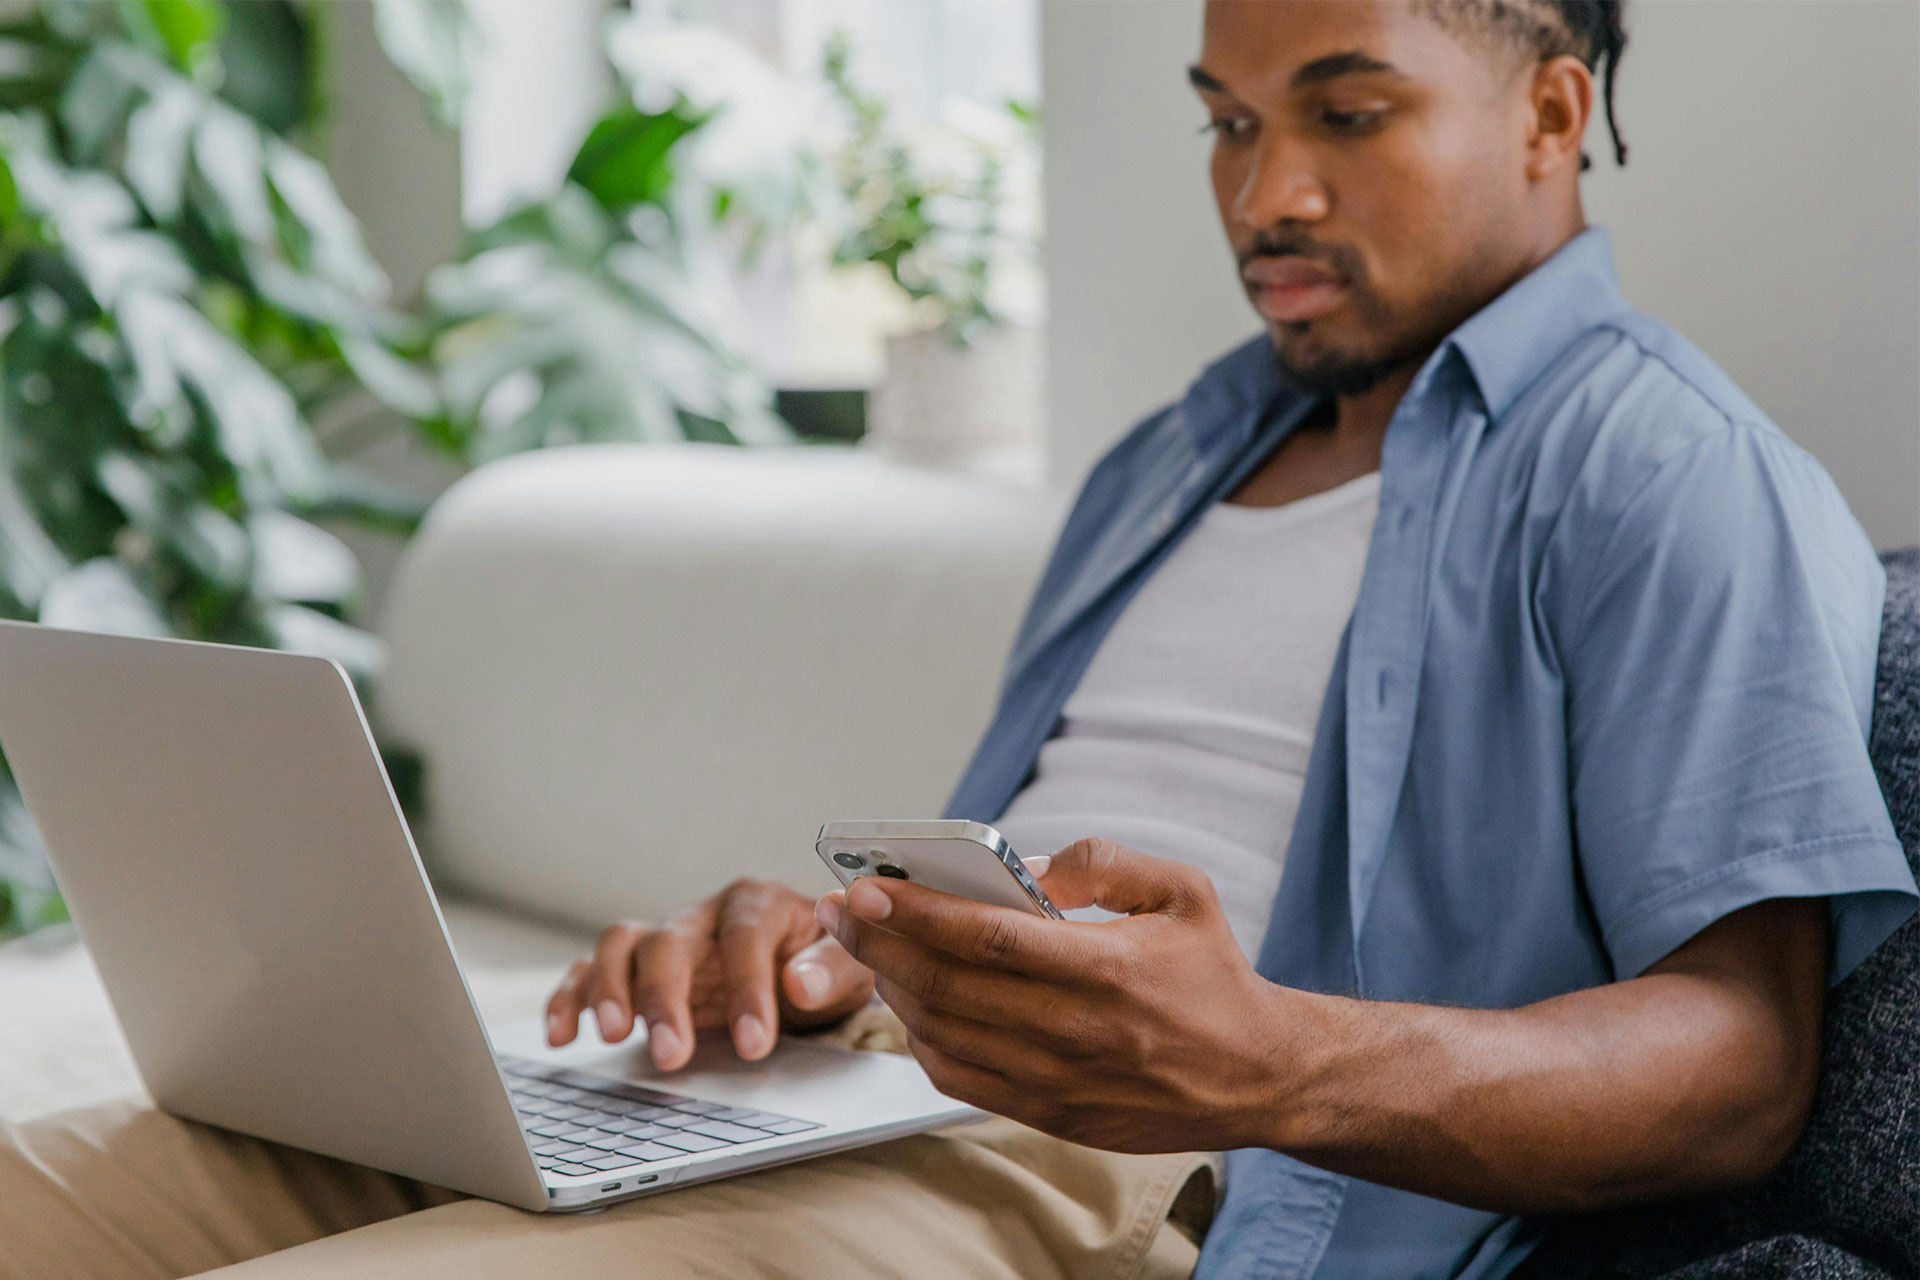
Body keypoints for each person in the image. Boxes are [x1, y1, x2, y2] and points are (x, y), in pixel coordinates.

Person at [3, 3, 1910, 1279]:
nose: (1268, 195)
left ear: (1556, 108)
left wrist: (1267, 1066)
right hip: (843, 1086)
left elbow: (1742, 1062)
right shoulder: (1181, 451)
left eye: (1347, 112)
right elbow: (1039, 849)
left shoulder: (1668, 472)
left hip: (1121, 1172)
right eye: (1231, 126)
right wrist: (831, 945)